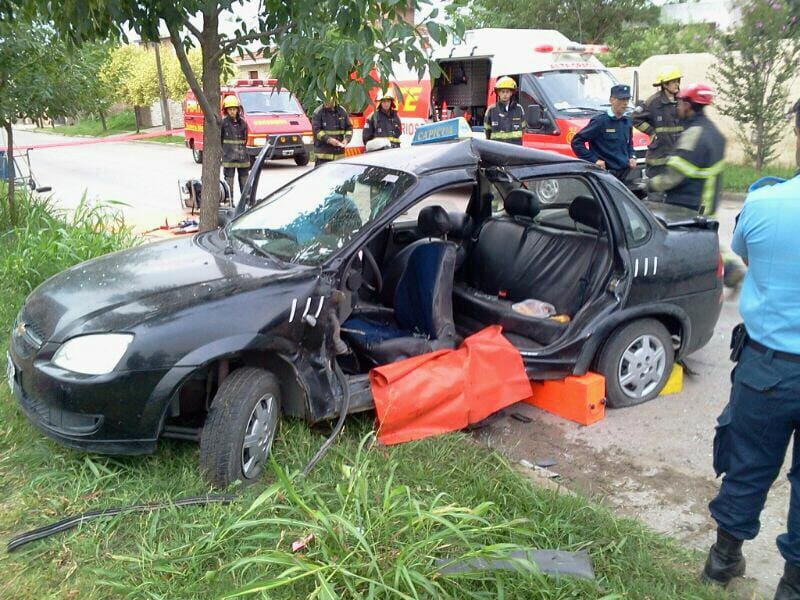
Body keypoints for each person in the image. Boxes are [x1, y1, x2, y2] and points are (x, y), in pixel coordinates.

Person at [701, 174, 800, 599]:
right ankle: (791, 588)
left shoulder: (763, 203)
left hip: (766, 366)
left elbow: (741, 258)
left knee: (748, 462)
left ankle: (721, 562)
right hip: (766, 361)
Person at [647, 83, 744, 288]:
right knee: (703, 237)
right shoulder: (713, 131)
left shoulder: (694, 134)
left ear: (689, 106)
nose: (677, 106)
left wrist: (650, 185)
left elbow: (673, 175)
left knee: (687, 240)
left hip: (691, 200)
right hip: (706, 197)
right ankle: (730, 270)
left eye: (680, 102)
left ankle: (725, 272)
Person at [570, 84, 637, 181]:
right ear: (611, 100)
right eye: (621, 100)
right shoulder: (600, 121)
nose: (625, 103)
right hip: (605, 175)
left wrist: (632, 156)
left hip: (623, 174)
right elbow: (577, 142)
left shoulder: (626, 121)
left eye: (627, 100)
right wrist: (594, 160)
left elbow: (629, 143)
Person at [633, 66, 683, 179]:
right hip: (659, 157)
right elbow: (635, 118)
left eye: (678, 81)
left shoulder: (681, 101)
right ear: (665, 84)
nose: (677, 84)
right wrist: (651, 132)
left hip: (677, 157)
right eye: (673, 82)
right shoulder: (653, 102)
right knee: (656, 191)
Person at [311, 91, 353, 167]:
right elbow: (316, 131)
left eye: (328, 100)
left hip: (339, 156)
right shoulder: (318, 112)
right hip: (323, 157)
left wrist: (346, 139)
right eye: (324, 100)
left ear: (334, 99)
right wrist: (329, 140)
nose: (326, 102)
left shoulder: (342, 111)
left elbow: (349, 127)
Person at [220, 95, 250, 197]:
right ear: (226, 110)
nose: (232, 111)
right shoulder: (223, 123)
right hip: (229, 158)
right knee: (229, 182)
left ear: (238, 110)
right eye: (230, 109)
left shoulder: (243, 123)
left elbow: (245, 139)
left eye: (234, 109)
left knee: (245, 181)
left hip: (243, 158)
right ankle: (229, 202)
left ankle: (246, 202)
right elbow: (220, 139)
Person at [483, 76, 527, 145]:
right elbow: (487, 131)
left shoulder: (519, 109)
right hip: (497, 151)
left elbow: (523, 129)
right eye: (502, 92)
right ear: (498, 93)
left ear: (511, 93)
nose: (505, 94)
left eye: (507, 92)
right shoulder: (491, 110)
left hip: (515, 151)